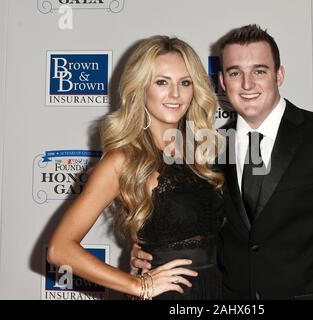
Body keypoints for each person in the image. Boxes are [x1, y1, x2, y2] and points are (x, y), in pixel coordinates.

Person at [131, 25, 313, 300]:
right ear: (222, 81)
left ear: (279, 74)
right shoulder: (210, 148)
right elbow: (197, 224)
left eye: (259, 71)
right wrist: (146, 250)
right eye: (235, 73)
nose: (247, 84)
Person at [47, 35, 225, 300]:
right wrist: (136, 285)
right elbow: (59, 249)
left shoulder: (205, 152)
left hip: (218, 290)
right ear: (141, 87)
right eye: (162, 82)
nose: (175, 94)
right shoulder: (123, 160)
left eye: (185, 82)